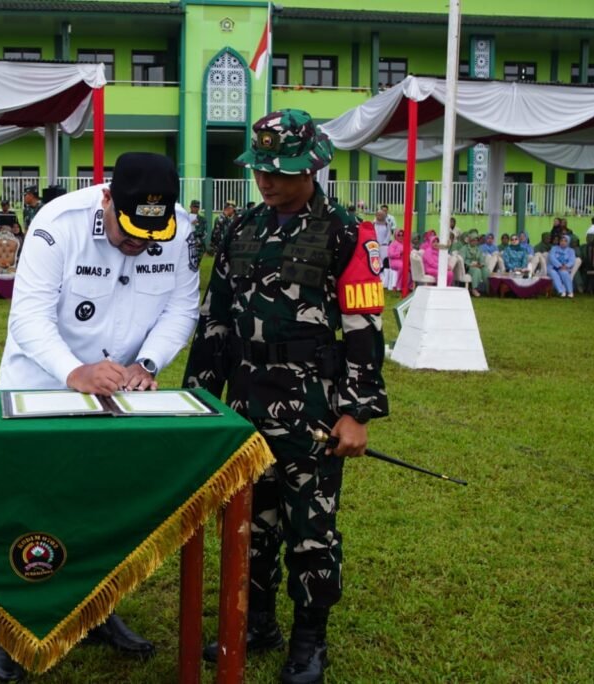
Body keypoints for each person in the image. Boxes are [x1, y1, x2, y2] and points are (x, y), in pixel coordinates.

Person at [184, 109, 388, 684]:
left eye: (281, 171)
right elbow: (216, 319)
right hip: (245, 405)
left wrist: (356, 413)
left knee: (310, 528)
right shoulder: (240, 228)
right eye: (261, 169)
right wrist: (200, 400)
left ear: (314, 167)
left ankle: (309, 641)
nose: (267, 180)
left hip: (312, 411)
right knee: (250, 524)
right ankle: (256, 624)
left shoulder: (348, 233)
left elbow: (364, 328)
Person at [0, 151, 199, 682]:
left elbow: (182, 307)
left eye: (150, 236)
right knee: (29, 508)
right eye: (128, 231)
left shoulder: (182, 232)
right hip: (42, 384)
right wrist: (74, 372)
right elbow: (28, 317)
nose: (139, 245)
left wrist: (147, 363)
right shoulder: (57, 224)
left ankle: (98, 609)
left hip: (120, 394)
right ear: (106, 197)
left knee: (103, 507)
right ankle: (7, 626)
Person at [461, 231, 489, 297]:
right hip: (468, 267)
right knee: (477, 270)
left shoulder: (478, 249)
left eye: (476, 240)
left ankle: (488, 289)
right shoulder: (464, 249)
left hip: (477, 265)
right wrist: (471, 264)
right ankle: (474, 289)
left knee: (485, 270)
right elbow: (462, 261)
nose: (475, 242)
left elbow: (482, 259)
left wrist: (481, 264)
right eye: (473, 240)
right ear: (470, 240)